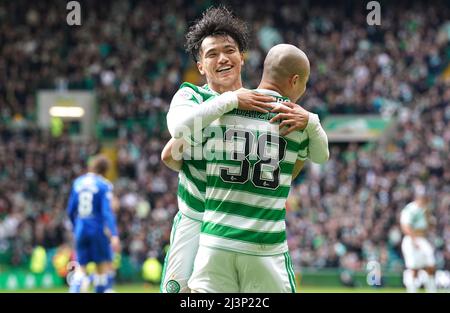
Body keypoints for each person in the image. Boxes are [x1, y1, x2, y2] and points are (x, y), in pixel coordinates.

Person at [186, 43, 328, 293]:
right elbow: (321, 155)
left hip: (214, 241)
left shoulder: (224, 107)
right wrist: (311, 121)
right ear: (295, 81)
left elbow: (172, 150)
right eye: (304, 83)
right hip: (264, 247)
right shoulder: (297, 123)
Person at [66, 154, 121, 293]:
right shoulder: (104, 185)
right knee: (101, 267)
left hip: (80, 228)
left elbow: (70, 210)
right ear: (105, 170)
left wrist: (75, 226)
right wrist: (114, 234)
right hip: (97, 229)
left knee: (81, 267)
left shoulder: (78, 182)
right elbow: (106, 212)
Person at [400, 185, 437, 293]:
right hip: (412, 239)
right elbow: (405, 226)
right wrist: (414, 239)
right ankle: (412, 290)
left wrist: (429, 217)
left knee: (431, 264)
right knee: (414, 268)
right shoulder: (410, 209)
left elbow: (430, 226)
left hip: (423, 239)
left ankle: (431, 289)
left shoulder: (426, 210)